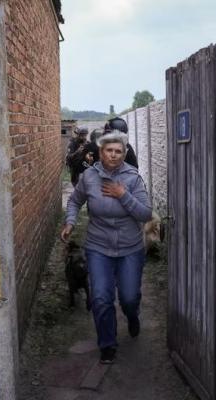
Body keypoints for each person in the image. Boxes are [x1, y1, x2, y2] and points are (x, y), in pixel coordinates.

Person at [60, 131, 152, 364]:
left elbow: (145, 213)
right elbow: (75, 200)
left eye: (118, 151)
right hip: (98, 246)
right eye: (109, 150)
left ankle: (133, 316)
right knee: (101, 297)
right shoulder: (89, 177)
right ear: (101, 153)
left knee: (129, 298)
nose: (113, 154)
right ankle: (107, 345)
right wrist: (70, 222)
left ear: (124, 154)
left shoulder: (132, 178)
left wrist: (123, 195)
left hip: (130, 248)